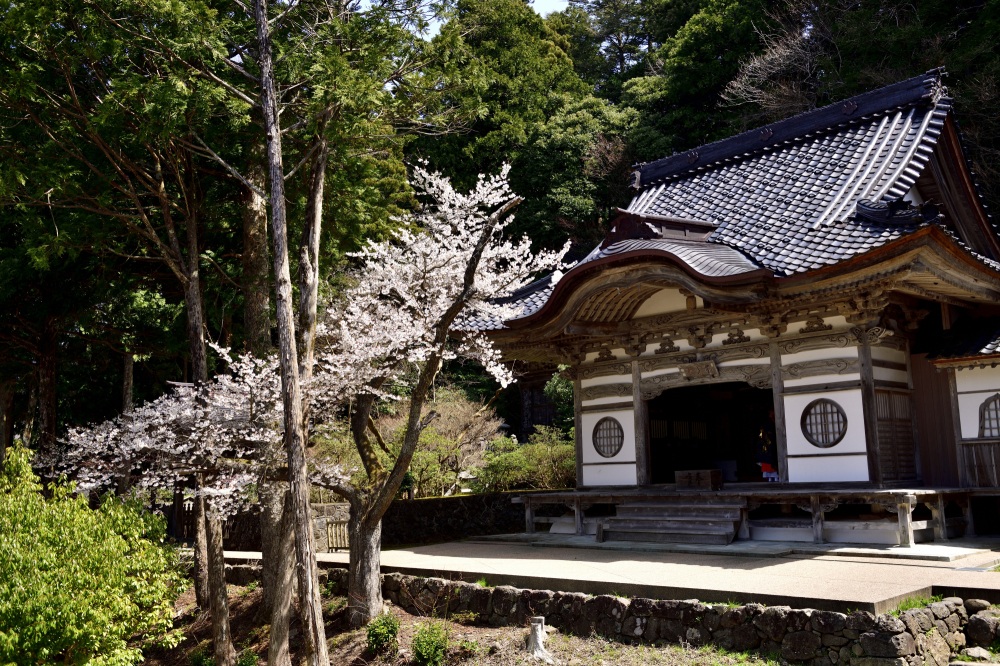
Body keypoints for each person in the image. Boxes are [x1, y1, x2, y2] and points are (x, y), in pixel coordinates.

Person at [756, 409, 779, 482]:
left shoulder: (774, 422)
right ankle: (771, 478)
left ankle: (775, 478)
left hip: (772, 445)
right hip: (767, 446)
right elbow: (762, 435)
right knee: (768, 461)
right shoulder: (767, 424)